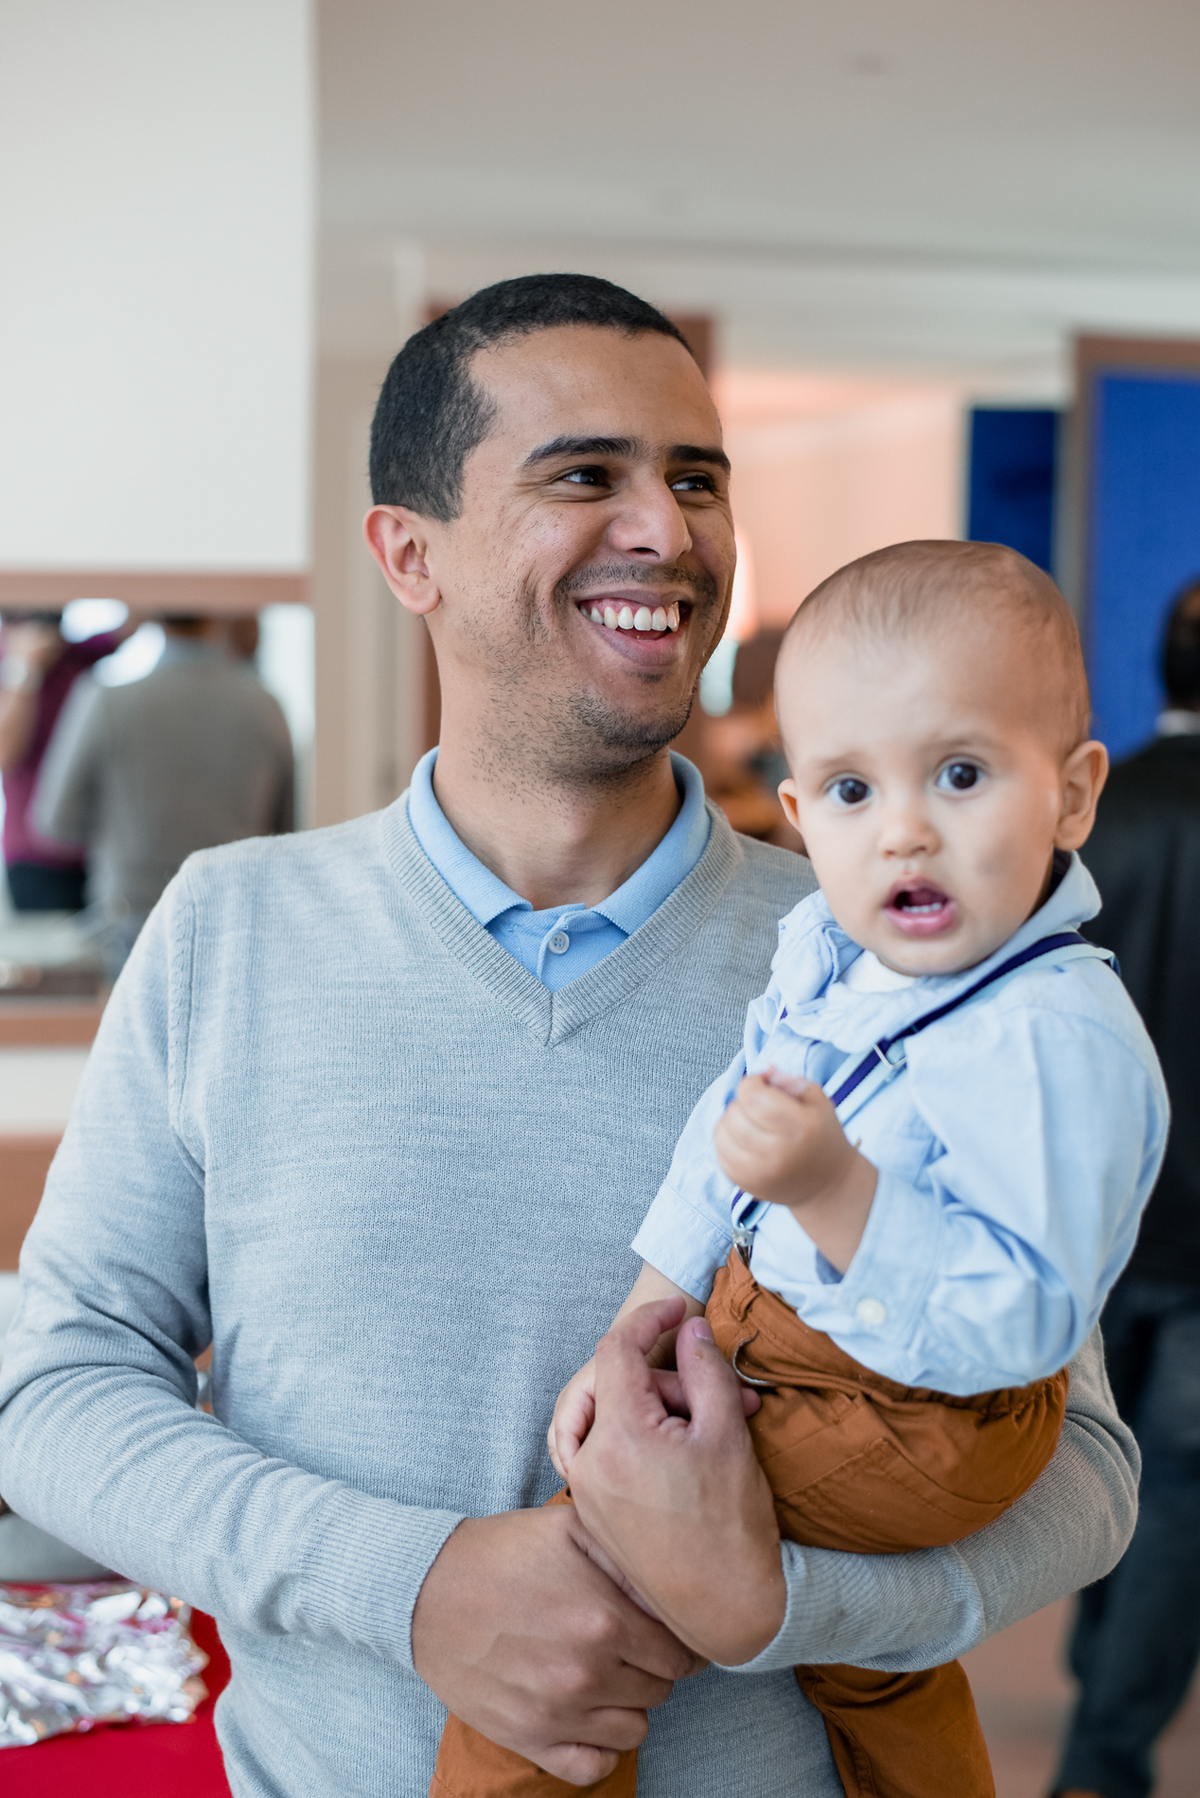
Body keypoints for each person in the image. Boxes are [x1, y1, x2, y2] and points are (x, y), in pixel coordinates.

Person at [0, 277, 1140, 1798]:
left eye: (697, 478)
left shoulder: (914, 962)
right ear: (409, 552)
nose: (667, 532)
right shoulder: (230, 930)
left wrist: (778, 1608)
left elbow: (1079, 1456)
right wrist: (418, 1584)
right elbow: (57, 1387)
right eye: (585, 475)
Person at [436, 540, 1166, 1798]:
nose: (906, 834)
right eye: (849, 790)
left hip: (925, 1404)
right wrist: (646, 1309)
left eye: (961, 772)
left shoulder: (1055, 1032)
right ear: (795, 810)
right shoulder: (835, 947)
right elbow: (728, 1126)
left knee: (581, 1587)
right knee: (874, 1664)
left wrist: (835, 1191)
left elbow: (1031, 1320)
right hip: (781, 1331)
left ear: (1074, 793)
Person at [1052, 578, 1200, 1798]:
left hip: (1102, 1209)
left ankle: (1092, 1656)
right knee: (1187, 1492)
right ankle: (1106, 1754)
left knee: (1099, 1434)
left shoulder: (1098, 815)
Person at [33, 613, 294, 968]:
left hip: (131, 922)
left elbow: (54, 823)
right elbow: (288, 829)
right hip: (237, 919)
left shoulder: (110, 701)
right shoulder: (266, 705)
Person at [0, 607, 130, 910]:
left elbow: (132, 622)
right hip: (34, 855)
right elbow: (5, 751)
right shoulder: (10, 663)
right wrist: (24, 667)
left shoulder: (74, 655)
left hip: (95, 853)